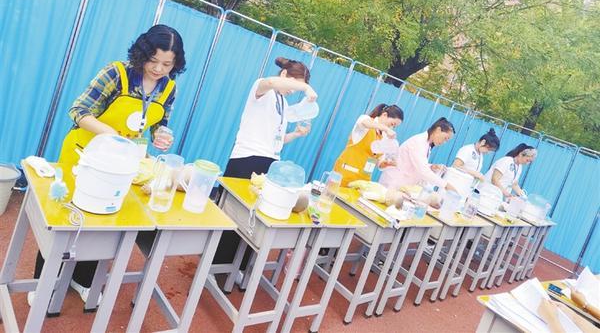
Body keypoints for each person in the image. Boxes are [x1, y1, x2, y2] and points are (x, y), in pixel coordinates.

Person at [30, 25, 186, 306]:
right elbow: (78, 110)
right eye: (153, 60)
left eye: (167, 64)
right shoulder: (117, 73)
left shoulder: (169, 88)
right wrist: (110, 134)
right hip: (83, 155)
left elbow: (158, 123)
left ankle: (84, 279)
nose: (158, 69)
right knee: (66, 219)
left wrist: (162, 135)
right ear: (142, 53)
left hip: (120, 164)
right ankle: (45, 282)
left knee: (104, 221)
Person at [212, 57, 317, 270]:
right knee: (233, 216)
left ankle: (238, 268)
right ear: (284, 75)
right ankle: (215, 265)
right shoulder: (262, 89)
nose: (293, 91)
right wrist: (305, 87)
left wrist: (296, 134)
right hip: (246, 160)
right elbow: (270, 82)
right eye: (294, 85)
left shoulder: (283, 103)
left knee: (256, 220)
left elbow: (277, 139)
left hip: (270, 165)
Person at [333, 104, 404, 187]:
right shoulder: (366, 120)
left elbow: (379, 162)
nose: (391, 128)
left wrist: (387, 163)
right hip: (346, 173)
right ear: (384, 115)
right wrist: (386, 129)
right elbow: (365, 123)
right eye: (392, 124)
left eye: (394, 127)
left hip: (363, 180)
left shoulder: (384, 136)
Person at [379, 117, 457, 191]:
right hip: (393, 183)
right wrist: (445, 185)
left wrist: (431, 167)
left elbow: (416, 164)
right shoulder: (419, 142)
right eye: (445, 138)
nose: (444, 142)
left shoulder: (427, 144)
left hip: (401, 184)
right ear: (438, 130)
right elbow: (423, 171)